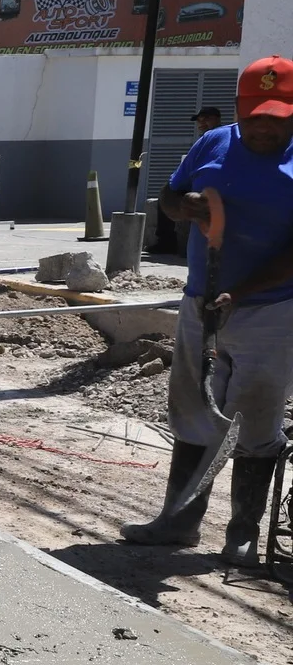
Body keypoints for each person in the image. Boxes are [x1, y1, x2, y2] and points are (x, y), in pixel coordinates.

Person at [121, 56, 293, 563]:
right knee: (193, 412)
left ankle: (241, 533)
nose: (265, 126)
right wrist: (184, 206)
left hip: (270, 311)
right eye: (256, 115)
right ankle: (176, 523)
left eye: (279, 117)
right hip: (200, 301)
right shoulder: (213, 142)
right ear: (241, 109)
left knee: (257, 421)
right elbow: (169, 195)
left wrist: (240, 294)